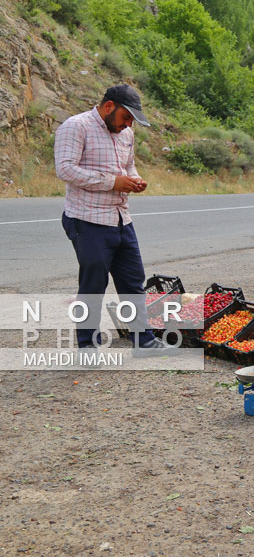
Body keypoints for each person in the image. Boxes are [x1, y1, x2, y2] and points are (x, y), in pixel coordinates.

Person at [54, 84, 168, 354]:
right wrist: (113, 182)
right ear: (109, 107)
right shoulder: (76, 126)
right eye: (126, 117)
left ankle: (145, 341)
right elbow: (66, 169)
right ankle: (87, 347)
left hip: (121, 218)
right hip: (87, 219)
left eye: (131, 120)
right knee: (93, 285)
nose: (128, 124)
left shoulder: (126, 132)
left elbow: (127, 165)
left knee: (132, 281)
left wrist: (134, 179)